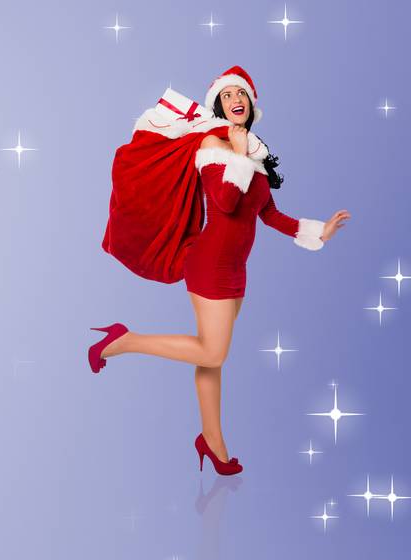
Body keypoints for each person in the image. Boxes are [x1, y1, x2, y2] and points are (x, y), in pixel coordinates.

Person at [91, 66, 350, 475]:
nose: (236, 100)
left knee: (212, 360)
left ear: (250, 105)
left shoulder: (255, 153)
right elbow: (226, 203)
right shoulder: (214, 143)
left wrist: (320, 231)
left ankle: (213, 442)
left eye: (241, 95)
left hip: (236, 269)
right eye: (228, 95)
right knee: (212, 349)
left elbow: (269, 214)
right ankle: (124, 341)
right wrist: (239, 152)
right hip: (209, 263)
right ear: (219, 105)